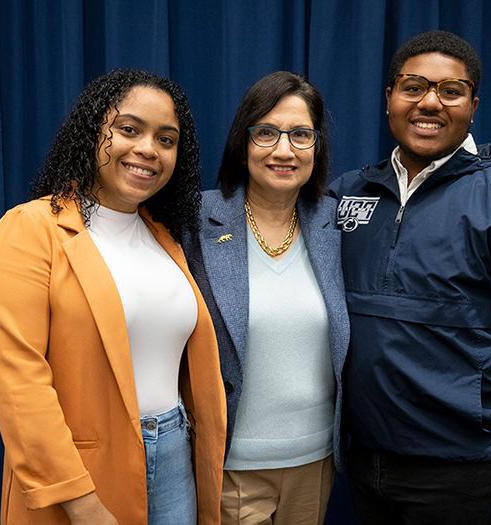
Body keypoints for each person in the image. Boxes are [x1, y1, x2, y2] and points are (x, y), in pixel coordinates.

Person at [329, 31, 491, 525]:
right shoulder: (345, 194)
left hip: (469, 473)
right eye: (413, 86)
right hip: (362, 465)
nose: (430, 101)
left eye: (450, 91)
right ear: (389, 98)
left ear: (473, 104)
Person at [0, 69, 226, 525]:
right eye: (129, 129)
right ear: (93, 133)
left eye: (166, 139)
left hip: (176, 457)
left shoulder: (164, 238)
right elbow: (19, 382)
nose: (148, 149)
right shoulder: (30, 229)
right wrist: (81, 502)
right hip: (82, 476)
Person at [184, 71, 349, 525]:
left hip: (315, 461)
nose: (283, 150)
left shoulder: (335, 223)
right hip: (233, 465)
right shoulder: (196, 220)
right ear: (244, 141)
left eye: (300, 135)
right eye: (267, 133)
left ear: (317, 145)